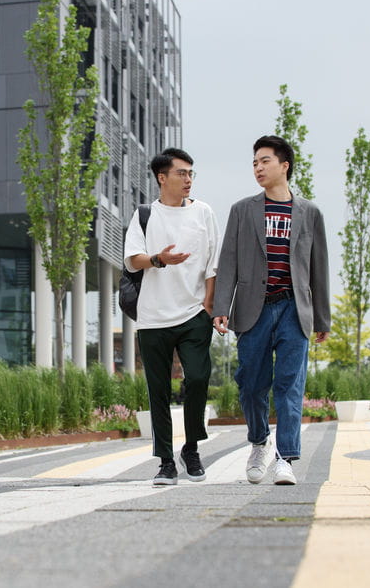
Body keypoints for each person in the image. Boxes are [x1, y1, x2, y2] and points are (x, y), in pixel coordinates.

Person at [213, 135, 330, 486]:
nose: (258, 168)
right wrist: (222, 306)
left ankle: (286, 458)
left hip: (295, 309)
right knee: (250, 384)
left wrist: (322, 317)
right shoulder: (242, 210)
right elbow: (228, 261)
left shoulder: (310, 213)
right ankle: (259, 441)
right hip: (254, 310)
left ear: (284, 165)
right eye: (254, 163)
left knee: (290, 386)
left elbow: (318, 267)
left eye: (264, 161)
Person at [123, 148, 219, 486]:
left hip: (194, 314)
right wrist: (159, 260)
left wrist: (210, 304)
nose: (188, 179)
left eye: (191, 173)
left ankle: (191, 448)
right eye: (182, 173)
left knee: (196, 378)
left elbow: (213, 263)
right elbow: (132, 260)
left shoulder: (204, 212)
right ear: (162, 177)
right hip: (152, 318)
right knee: (158, 390)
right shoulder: (145, 215)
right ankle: (165, 461)